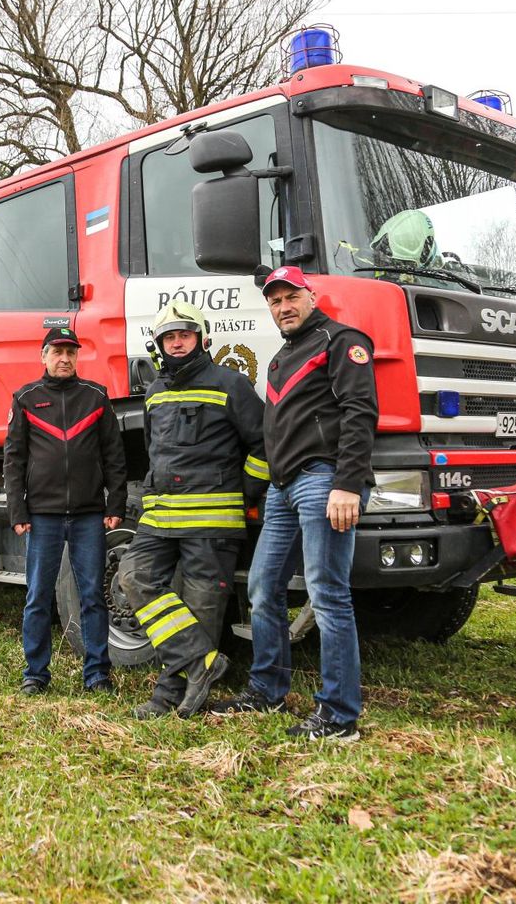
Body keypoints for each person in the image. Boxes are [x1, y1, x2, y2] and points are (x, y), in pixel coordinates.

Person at [208, 265, 379, 741]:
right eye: (274, 301)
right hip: (284, 488)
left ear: (311, 295)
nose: (283, 307)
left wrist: (347, 483)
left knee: (328, 594)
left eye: (291, 297)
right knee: (263, 588)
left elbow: (360, 413)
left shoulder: (341, 341)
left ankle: (339, 716)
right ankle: (267, 691)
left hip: (326, 481)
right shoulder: (281, 358)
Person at [119, 301, 268, 719]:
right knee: (133, 577)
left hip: (213, 520)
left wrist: (243, 492)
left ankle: (168, 697)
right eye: (170, 337)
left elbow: (263, 444)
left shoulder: (231, 384)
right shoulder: (154, 394)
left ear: (201, 339)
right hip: (159, 517)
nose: (177, 342)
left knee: (201, 611)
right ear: (160, 346)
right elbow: (154, 451)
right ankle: (204, 659)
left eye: (184, 335)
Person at [3, 324, 128, 696]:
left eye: (70, 352)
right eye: (57, 352)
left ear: (77, 357)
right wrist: (17, 511)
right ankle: (36, 674)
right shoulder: (26, 398)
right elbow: (14, 460)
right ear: (43, 357)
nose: (64, 358)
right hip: (42, 516)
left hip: (90, 515)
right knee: (38, 596)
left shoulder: (95, 397)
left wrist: (116, 501)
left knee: (92, 596)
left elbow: (115, 456)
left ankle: (97, 675)